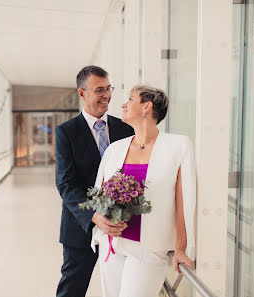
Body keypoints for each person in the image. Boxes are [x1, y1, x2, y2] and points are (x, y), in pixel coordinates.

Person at [91, 85, 196, 297]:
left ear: (146, 107)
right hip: (112, 244)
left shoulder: (178, 146)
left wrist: (181, 249)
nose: (123, 104)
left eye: (130, 99)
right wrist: (101, 220)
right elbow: (99, 195)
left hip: (149, 250)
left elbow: (184, 201)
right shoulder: (114, 149)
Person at [55, 66, 134, 297]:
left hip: (122, 226)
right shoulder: (66, 132)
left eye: (108, 88)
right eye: (99, 90)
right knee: (72, 289)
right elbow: (66, 184)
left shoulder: (126, 128)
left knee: (122, 289)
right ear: (82, 93)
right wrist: (95, 216)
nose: (107, 95)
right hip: (81, 226)